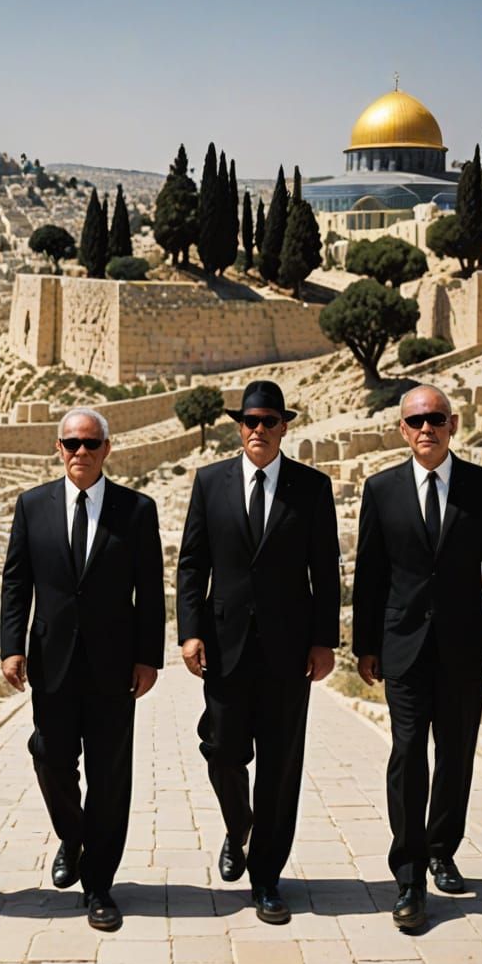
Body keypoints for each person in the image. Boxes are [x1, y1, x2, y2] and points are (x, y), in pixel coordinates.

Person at [352, 384, 482, 930]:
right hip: (402, 645)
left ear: (453, 425)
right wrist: (365, 645)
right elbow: (371, 573)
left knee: (455, 753)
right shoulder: (380, 489)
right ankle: (409, 875)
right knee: (406, 754)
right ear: (402, 430)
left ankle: (442, 849)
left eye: (437, 419)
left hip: (465, 646)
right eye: (417, 421)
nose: (428, 428)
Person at [177, 380, 340, 925]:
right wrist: (190, 631)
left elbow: (325, 570)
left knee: (279, 765)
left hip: (288, 650)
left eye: (270, 421)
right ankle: (237, 825)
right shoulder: (210, 483)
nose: (260, 430)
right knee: (222, 750)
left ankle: (267, 877)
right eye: (251, 421)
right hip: (224, 648)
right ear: (239, 426)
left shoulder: (311, 488)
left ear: (284, 427)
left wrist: (324, 640)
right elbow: (192, 564)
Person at [0, 407, 164, 931]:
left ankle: (99, 886)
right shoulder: (32, 506)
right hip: (52, 662)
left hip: (114, 665)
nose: (81, 452)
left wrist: (148, 657)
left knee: (110, 776)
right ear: (58, 448)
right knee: (49, 757)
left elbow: (150, 590)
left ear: (107, 449)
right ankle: (73, 836)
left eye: (91, 443)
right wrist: (10, 647)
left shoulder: (136, 510)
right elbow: (16, 582)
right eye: (71, 443)